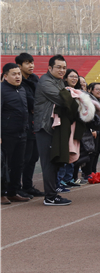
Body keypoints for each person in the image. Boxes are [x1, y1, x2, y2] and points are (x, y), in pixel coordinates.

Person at [34, 55, 71, 205]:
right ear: (50, 68)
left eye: (64, 67)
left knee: (55, 160)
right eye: (58, 67)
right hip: (45, 127)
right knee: (49, 163)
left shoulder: (58, 81)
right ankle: (50, 197)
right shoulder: (46, 82)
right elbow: (64, 100)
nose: (62, 70)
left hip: (54, 127)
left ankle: (53, 193)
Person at [1, 63, 31, 204]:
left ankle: (13, 192)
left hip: (22, 133)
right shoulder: (1, 90)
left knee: (18, 164)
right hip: (6, 134)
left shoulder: (22, 89)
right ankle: (2, 193)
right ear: (5, 76)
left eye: (19, 74)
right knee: (3, 165)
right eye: (14, 74)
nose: (18, 76)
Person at [15, 52, 43, 198]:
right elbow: (31, 102)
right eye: (27, 63)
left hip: (36, 123)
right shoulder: (18, 82)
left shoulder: (35, 79)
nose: (31, 65)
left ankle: (27, 186)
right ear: (19, 66)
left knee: (33, 158)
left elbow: (42, 99)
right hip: (23, 124)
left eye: (32, 62)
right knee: (23, 158)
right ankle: (16, 188)